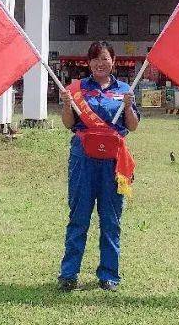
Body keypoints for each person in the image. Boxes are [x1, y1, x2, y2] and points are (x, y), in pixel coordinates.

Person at [57, 41, 141, 293]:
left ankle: (109, 274)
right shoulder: (77, 89)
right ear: (88, 62)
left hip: (113, 162)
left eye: (104, 58)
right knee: (78, 217)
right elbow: (68, 123)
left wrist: (127, 106)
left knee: (111, 218)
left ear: (113, 61)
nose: (100, 64)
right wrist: (65, 103)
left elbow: (133, 126)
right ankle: (69, 274)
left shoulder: (126, 89)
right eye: (95, 59)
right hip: (83, 159)